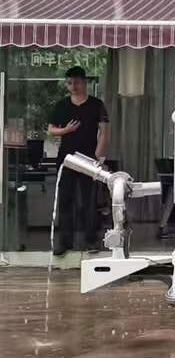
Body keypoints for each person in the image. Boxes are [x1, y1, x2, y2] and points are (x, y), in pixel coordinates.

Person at [47, 66, 109, 255]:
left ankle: (91, 240)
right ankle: (65, 242)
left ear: (84, 82)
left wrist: (97, 156)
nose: (73, 86)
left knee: (88, 201)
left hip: (89, 159)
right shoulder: (62, 105)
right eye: (70, 83)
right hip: (66, 159)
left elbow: (104, 132)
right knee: (65, 200)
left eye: (77, 82)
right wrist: (66, 130)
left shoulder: (96, 104)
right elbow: (51, 129)